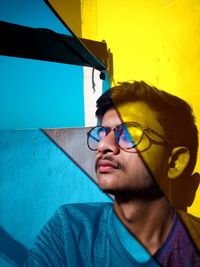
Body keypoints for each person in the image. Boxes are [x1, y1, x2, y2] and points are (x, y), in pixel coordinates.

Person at [24, 81, 200, 266]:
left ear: (174, 163)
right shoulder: (70, 230)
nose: (103, 145)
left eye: (129, 134)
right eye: (102, 133)